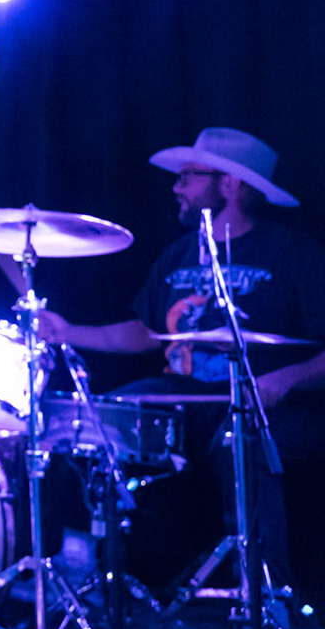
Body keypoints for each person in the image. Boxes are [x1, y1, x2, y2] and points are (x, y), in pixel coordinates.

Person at [38, 127, 325, 601]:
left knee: (241, 441)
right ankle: (90, 577)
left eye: (188, 176)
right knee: (87, 423)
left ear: (230, 183)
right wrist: (68, 331)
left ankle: (266, 595)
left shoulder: (294, 254)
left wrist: (286, 378)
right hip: (181, 399)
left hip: (268, 406)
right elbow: (146, 333)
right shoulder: (179, 254)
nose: (177, 187)